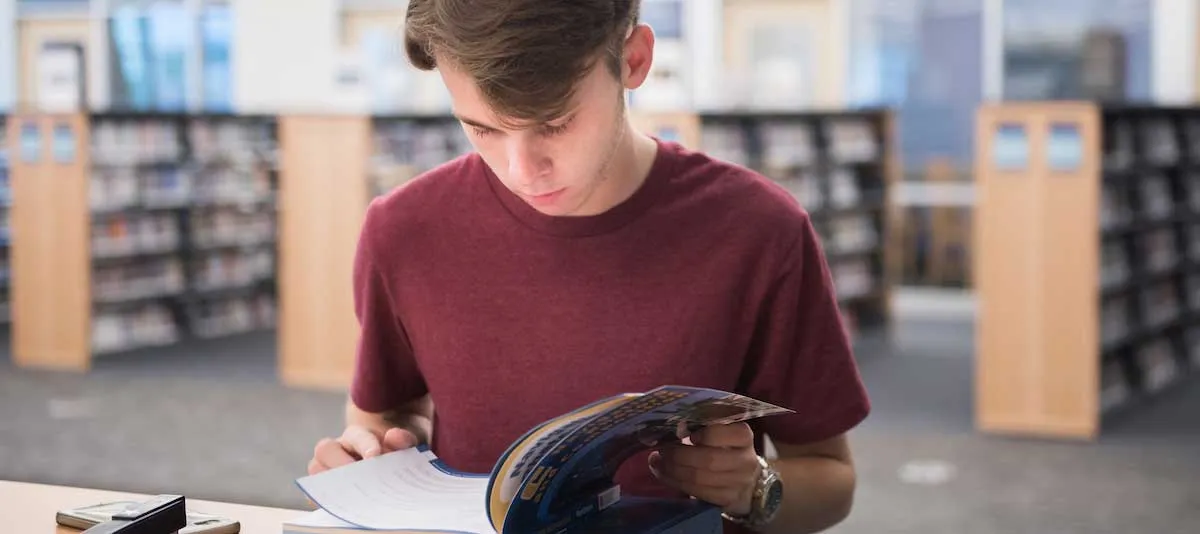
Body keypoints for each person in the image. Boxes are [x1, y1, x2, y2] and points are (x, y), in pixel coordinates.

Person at [307, 1, 871, 532]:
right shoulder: (404, 230)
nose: (522, 170)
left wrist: (757, 490)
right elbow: (385, 416)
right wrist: (372, 456)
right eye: (482, 128)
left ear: (633, 60)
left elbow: (831, 478)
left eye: (554, 124)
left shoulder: (759, 230)